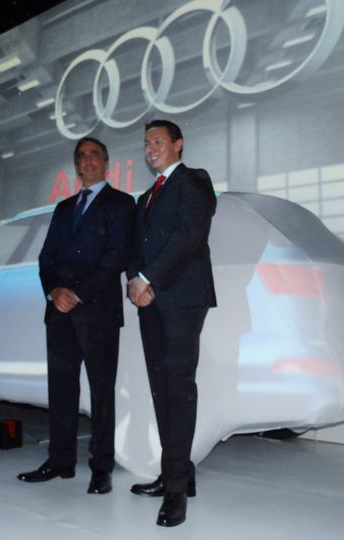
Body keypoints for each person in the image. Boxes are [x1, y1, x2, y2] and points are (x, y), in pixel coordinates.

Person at [17, 137, 134, 495]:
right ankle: (60, 461)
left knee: (101, 392)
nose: (88, 161)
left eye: (94, 155)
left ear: (106, 163)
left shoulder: (122, 203)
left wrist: (78, 292)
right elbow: (46, 258)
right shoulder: (64, 208)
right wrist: (55, 291)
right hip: (59, 312)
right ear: (77, 166)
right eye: (81, 157)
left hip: (98, 311)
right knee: (61, 390)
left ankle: (102, 468)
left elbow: (116, 256)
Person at [127, 119, 217, 526]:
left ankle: (176, 493)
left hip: (182, 299)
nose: (150, 148)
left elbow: (189, 235)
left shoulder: (194, 180)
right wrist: (134, 281)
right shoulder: (145, 197)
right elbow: (134, 246)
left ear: (178, 144)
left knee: (178, 390)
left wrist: (148, 278)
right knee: (161, 390)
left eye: (158, 141)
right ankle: (176, 473)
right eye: (146, 143)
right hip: (149, 301)